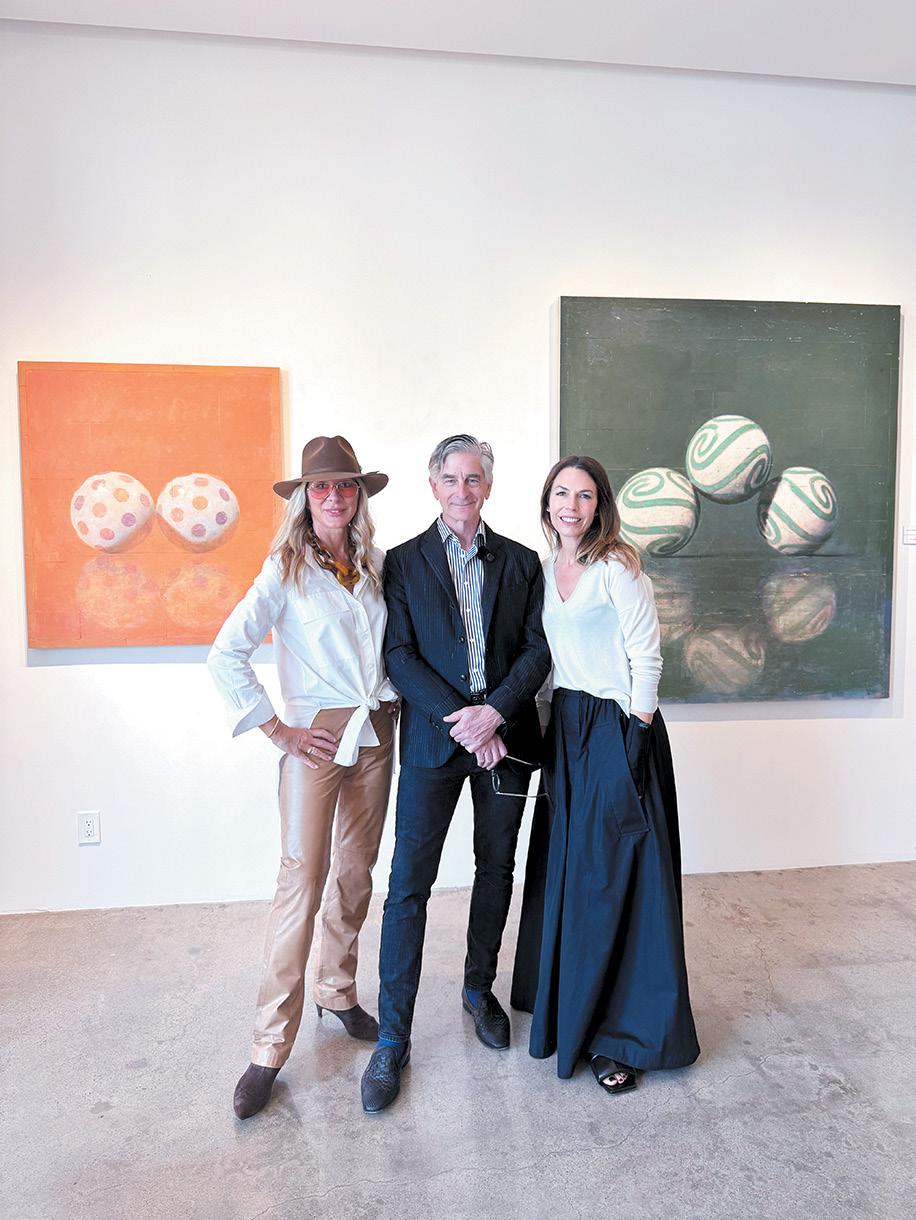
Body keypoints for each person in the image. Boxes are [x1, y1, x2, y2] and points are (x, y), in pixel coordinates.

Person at [359, 434, 552, 1113]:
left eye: (474, 479)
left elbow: (537, 649)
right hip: (435, 745)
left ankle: (478, 989)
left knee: (495, 870)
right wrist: (464, 720)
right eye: (451, 478)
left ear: (488, 487)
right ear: (433, 485)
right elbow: (399, 655)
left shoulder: (523, 562)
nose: (462, 490)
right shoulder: (404, 562)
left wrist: (494, 714)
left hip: (506, 740)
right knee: (407, 887)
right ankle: (393, 1036)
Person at [208, 435, 399, 1119]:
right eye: (322, 486)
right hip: (315, 737)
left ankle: (338, 991)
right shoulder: (283, 571)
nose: (335, 496)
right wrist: (279, 731)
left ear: (359, 496)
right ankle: (268, 1047)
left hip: (378, 729)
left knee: (356, 871)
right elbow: (225, 654)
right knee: (301, 880)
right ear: (305, 498)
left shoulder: (376, 564)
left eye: (346, 485)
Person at [511, 455, 700, 1095]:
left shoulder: (618, 569)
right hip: (568, 729)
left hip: (619, 729)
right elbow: (548, 662)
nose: (572, 505)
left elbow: (648, 658)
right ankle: (573, 1005)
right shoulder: (544, 571)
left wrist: (635, 743)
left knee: (618, 880)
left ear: (601, 506)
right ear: (547, 503)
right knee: (574, 873)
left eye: (585, 495)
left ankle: (622, 1033)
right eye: (562, 493)